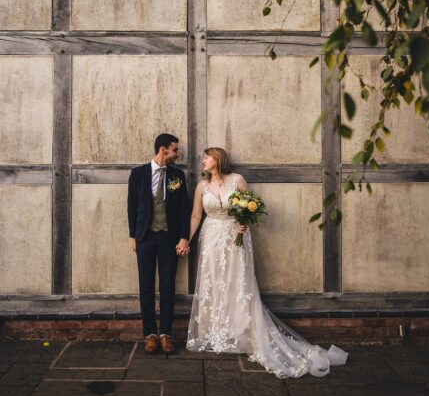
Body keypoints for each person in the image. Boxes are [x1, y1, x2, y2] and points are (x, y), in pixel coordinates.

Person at [186, 147, 348, 378]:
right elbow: (195, 216)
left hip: (235, 237)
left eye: (207, 157)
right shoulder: (202, 186)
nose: (203, 161)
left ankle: (240, 330)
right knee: (213, 281)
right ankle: (214, 331)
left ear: (217, 160)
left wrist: (244, 224)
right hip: (211, 238)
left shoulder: (237, 180)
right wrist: (186, 240)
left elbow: (249, 209)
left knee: (237, 282)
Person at [127, 133, 190, 354]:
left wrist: (184, 237)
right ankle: (149, 335)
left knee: (167, 287)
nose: (177, 154)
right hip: (145, 237)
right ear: (163, 150)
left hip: (169, 238)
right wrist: (134, 235)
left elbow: (184, 209)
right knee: (146, 287)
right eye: (174, 150)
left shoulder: (177, 175)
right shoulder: (138, 174)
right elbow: (132, 206)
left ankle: (165, 334)